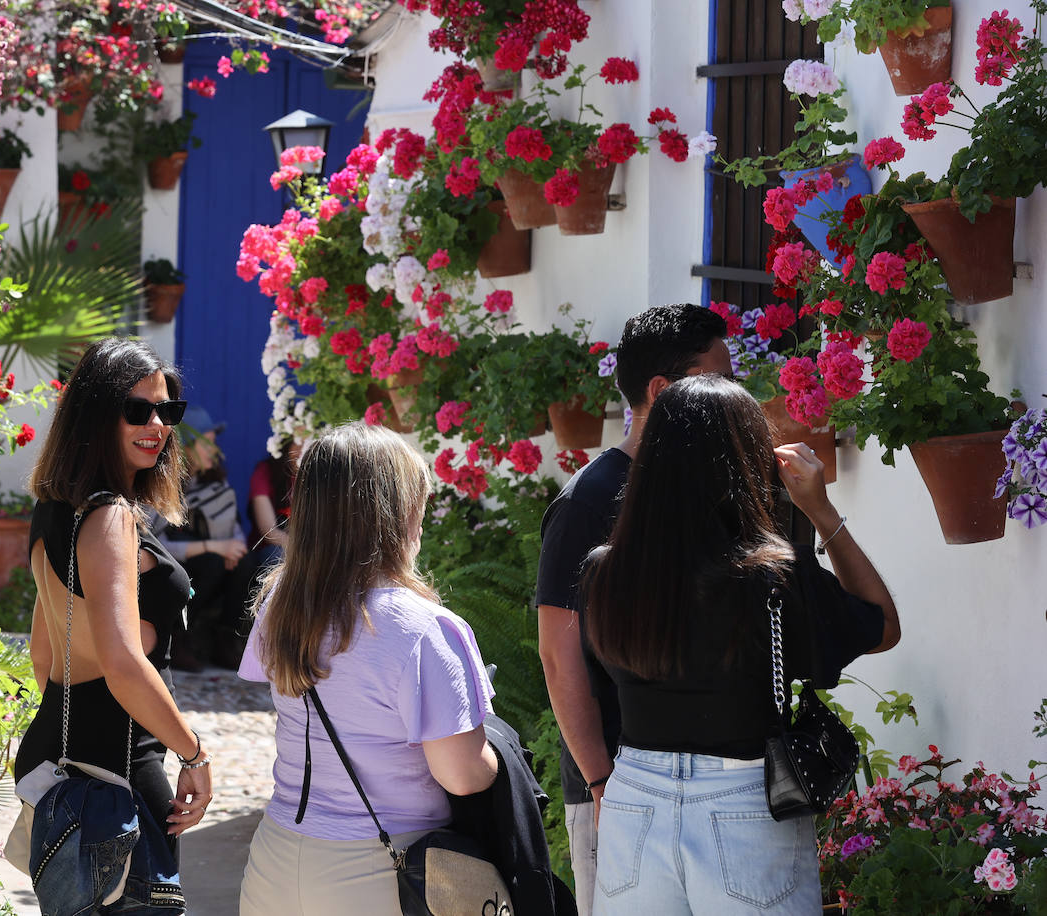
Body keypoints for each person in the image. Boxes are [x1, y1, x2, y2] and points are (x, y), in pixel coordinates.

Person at [581, 375, 899, 913]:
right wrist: (821, 511)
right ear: (747, 462)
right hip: (744, 799)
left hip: (634, 796)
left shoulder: (603, 572)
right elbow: (882, 626)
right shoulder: (771, 577)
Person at [238, 422, 500, 916]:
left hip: (275, 860)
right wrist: (500, 755)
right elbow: (463, 776)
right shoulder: (425, 628)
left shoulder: (280, 605)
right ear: (398, 514)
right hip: (385, 870)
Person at [535, 303, 731, 913]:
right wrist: (600, 781)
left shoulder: (707, 487)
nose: (732, 396)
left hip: (709, 785)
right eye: (718, 379)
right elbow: (558, 655)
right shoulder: (589, 501)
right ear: (662, 391)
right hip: (617, 786)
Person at [15, 338, 213, 880]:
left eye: (168, 410)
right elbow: (124, 663)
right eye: (137, 410)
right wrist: (194, 755)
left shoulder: (53, 510)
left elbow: (43, 653)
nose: (157, 425)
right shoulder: (109, 517)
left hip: (56, 752)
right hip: (120, 765)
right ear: (96, 413)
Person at [157, 405, 256, 671]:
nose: (214, 450)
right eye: (206, 443)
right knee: (212, 562)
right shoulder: (165, 486)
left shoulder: (214, 480)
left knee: (244, 561)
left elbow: (232, 523)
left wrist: (233, 548)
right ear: (185, 448)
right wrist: (214, 547)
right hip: (179, 566)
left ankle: (225, 639)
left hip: (213, 560)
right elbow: (159, 546)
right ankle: (177, 638)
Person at [246, 436, 301, 564]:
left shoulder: (319, 474)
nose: (302, 449)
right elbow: (269, 532)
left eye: (308, 442)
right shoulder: (265, 471)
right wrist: (303, 550)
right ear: (285, 444)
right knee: (279, 556)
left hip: (310, 546)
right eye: (297, 442)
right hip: (276, 548)